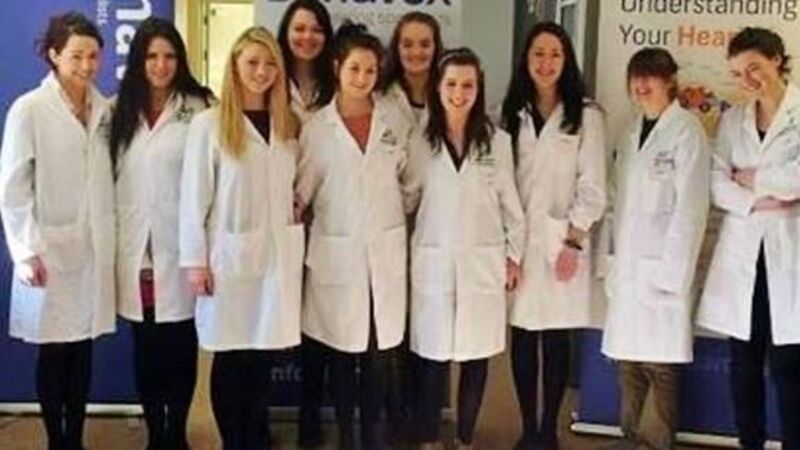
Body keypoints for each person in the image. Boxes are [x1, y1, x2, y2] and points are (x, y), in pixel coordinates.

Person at [178, 26, 304, 450]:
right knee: (231, 355)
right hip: (227, 260)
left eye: (270, 64)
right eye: (252, 62)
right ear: (234, 65)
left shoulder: (289, 124)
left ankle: (256, 438)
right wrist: (196, 262)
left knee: (263, 355)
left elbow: (295, 183)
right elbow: (193, 199)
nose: (261, 71)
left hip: (276, 258)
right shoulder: (209, 125)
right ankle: (235, 441)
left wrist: (296, 205)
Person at [294, 21, 412, 450]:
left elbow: (411, 182)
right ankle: (347, 436)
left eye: (370, 70)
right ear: (337, 67)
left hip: (384, 255)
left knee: (379, 359)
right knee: (342, 357)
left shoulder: (395, 119)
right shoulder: (316, 128)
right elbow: (302, 193)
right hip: (336, 257)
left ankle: (374, 438)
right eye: (354, 69)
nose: (362, 78)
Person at [0, 11, 115, 450]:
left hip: (92, 249)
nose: (87, 65)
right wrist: (26, 251)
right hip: (48, 250)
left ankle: (76, 439)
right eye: (76, 56)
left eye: (93, 56)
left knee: (83, 348)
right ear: (54, 55)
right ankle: (56, 440)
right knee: (53, 350)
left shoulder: (105, 110)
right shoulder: (29, 109)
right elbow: (13, 187)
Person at [404, 47, 525, 450]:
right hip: (434, 260)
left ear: (479, 89)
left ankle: (465, 438)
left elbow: (512, 207)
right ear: (438, 88)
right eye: (451, 84)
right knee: (432, 357)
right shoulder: (420, 141)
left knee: (476, 356)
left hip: (481, 264)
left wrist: (514, 256)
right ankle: (428, 439)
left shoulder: (498, 143)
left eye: (468, 85)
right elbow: (406, 199)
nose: (459, 94)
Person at [500, 22, 607, 450]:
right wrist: (508, 248)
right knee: (523, 337)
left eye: (555, 54)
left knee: (557, 337)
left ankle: (548, 432)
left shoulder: (586, 115)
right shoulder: (508, 113)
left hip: (565, 241)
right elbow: (500, 185)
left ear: (567, 61)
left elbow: (594, 185)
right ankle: (528, 429)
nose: (546, 63)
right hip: (519, 245)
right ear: (526, 60)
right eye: (538, 54)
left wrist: (574, 241)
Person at [109, 17, 213, 450]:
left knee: (181, 346)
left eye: (169, 56)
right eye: (151, 55)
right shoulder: (116, 110)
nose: (161, 64)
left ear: (180, 60)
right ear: (139, 60)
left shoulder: (202, 106)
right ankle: (156, 434)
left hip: (182, 247)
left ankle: (177, 432)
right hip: (136, 250)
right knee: (147, 346)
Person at [697, 27, 800, 450]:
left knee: (790, 367)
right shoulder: (733, 119)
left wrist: (755, 178)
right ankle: (750, 444)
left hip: (789, 256)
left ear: (776, 59)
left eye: (754, 67)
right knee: (744, 365)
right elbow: (717, 183)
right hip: (744, 256)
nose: (747, 80)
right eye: (739, 73)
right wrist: (767, 199)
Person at [602, 47, 710, 450]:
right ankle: (630, 439)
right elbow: (615, 202)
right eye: (636, 77)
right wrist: (609, 260)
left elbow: (692, 209)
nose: (641, 85)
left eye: (650, 77)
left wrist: (672, 274)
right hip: (630, 268)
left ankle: (657, 442)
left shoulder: (687, 132)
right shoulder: (631, 133)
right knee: (628, 363)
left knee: (660, 367)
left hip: (664, 269)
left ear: (670, 82)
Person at [381, 11, 443, 130]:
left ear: (436, 48)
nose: (416, 52)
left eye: (425, 45)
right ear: (396, 48)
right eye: (407, 45)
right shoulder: (379, 94)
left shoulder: (451, 93)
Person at [277, 0, 335, 124]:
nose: (308, 36)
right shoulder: (271, 78)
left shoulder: (338, 82)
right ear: (286, 33)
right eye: (299, 29)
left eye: (317, 30)